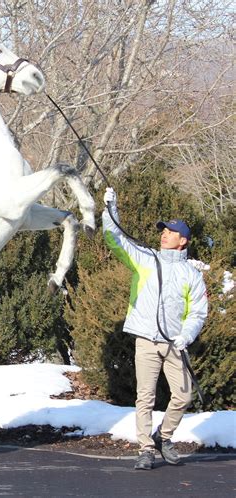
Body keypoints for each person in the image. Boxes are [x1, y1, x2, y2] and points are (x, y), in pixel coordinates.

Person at [102, 187, 208, 470]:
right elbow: (116, 240)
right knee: (145, 397)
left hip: (176, 343)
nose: (164, 234)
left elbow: (198, 311)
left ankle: (163, 436)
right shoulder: (144, 258)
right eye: (163, 230)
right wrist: (111, 209)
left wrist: (185, 336)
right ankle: (145, 449)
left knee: (183, 395)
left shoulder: (192, 274)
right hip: (146, 341)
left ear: (183, 240)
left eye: (171, 232)